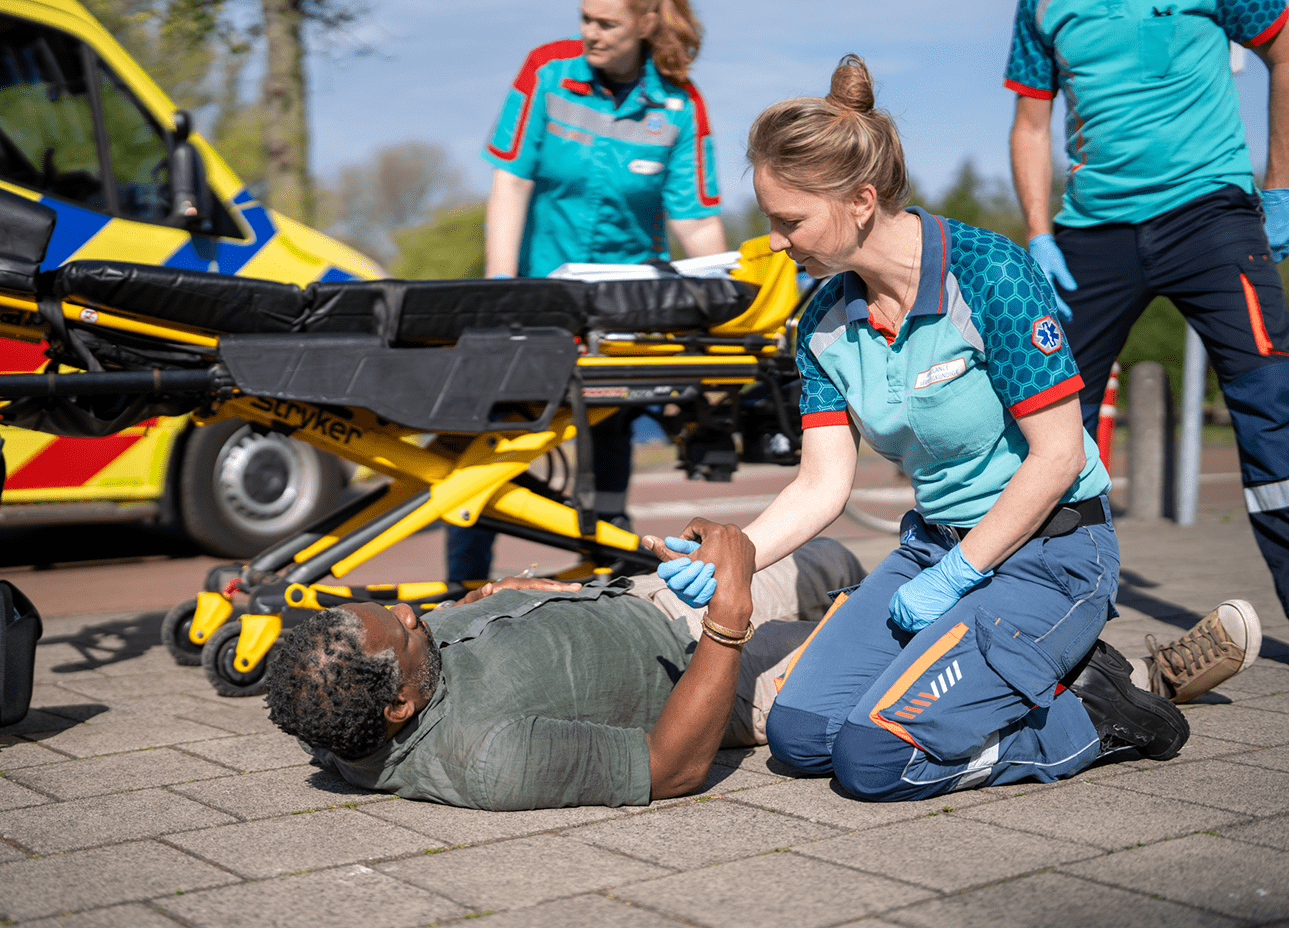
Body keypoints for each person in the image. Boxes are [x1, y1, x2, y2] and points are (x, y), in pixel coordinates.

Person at [656, 53, 1264, 804]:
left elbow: (1058, 452)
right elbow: (821, 483)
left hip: (1051, 553)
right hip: (933, 554)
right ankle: (1037, 674)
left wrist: (963, 572)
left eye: (790, 221)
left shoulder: (989, 276)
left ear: (861, 200)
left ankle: (1095, 715)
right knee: (800, 737)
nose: (777, 242)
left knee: (873, 761)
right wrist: (734, 561)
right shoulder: (819, 323)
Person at [265, 521, 1253, 811]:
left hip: (650, 608)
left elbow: (464, 629)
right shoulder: (483, 758)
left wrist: (521, 593)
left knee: (837, 558)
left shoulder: (362, 689)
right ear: (397, 708)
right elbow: (671, 767)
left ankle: (1062, 649)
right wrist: (730, 619)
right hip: (729, 684)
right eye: (400, 624)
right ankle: (1136, 690)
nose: (407, 604)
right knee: (912, 678)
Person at [1005, 0, 1289, 621]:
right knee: (1045, 418)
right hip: (1089, 236)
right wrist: (1036, 233)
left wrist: (1280, 186)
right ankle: (1048, 618)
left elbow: (1284, 47)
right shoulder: (1043, 6)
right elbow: (1031, 122)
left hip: (1210, 214)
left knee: (1274, 409)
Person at [447, 0, 728, 583]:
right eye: (585, 19)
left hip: (624, 311)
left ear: (647, 22)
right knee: (490, 449)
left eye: (607, 23)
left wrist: (731, 308)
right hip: (539, 298)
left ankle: (611, 585)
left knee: (607, 443)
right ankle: (459, 589)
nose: (590, 33)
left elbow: (695, 222)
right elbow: (511, 181)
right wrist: (504, 291)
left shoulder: (679, 104)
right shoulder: (548, 72)